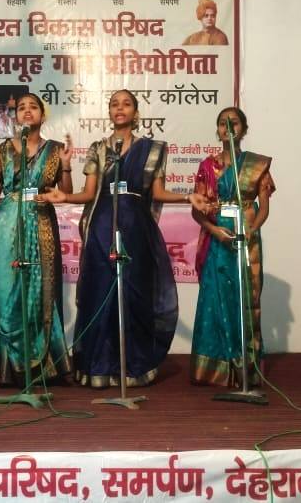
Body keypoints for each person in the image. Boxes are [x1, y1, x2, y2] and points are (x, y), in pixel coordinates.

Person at [40, 90, 208, 387]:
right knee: (101, 292)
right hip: (102, 225)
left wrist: (187, 197)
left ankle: (133, 366)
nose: (120, 109)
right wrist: (64, 197)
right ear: (109, 112)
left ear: (136, 112)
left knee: (134, 293)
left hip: (136, 227)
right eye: (114, 104)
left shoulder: (153, 149)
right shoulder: (98, 149)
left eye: (126, 104)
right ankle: (99, 367)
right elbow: (89, 193)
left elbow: (157, 192)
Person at [0, 93, 74, 386]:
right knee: (7, 288)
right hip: (8, 223)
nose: (27, 111)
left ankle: (45, 365)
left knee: (42, 289)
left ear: (43, 116)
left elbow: (66, 192)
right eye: (21, 107)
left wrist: (66, 165)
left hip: (42, 221)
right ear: (15, 116)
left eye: (33, 107)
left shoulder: (55, 149)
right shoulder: (4, 149)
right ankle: (14, 366)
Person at [190, 106, 276, 389]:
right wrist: (216, 232)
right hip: (218, 242)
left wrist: (250, 231)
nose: (228, 127)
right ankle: (215, 369)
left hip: (247, 241)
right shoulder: (207, 166)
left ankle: (245, 368)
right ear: (218, 131)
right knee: (216, 301)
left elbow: (264, 208)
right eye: (222, 124)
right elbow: (197, 212)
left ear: (244, 129)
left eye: (234, 123)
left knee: (245, 299)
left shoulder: (256, 165)